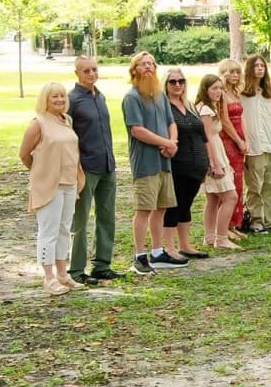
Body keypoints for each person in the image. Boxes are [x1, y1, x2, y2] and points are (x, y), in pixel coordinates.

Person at [121, 51, 184, 275]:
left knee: (161, 207)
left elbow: (171, 122)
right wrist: (165, 142)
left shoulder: (159, 95)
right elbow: (137, 130)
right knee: (144, 209)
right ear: (134, 70)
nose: (148, 67)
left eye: (151, 64)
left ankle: (157, 252)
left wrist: (172, 143)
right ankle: (139, 256)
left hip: (164, 162)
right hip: (145, 163)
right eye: (143, 64)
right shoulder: (132, 97)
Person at [19, 82, 84, 295]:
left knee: (64, 228)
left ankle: (62, 273)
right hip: (49, 185)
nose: (59, 100)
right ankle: (48, 277)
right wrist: (41, 171)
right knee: (49, 231)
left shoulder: (67, 120)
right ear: (45, 99)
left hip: (69, 182)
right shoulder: (38, 123)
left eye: (62, 96)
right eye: (54, 96)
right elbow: (24, 154)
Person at [65, 55, 122, 286]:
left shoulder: (100, 96)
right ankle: (76, 268)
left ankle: (102, 264)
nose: (91, 74)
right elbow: (67, 136)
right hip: (86, 167)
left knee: (106, 216)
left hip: (107, 164)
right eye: (86, 70)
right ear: (77, 73)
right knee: (80, 220)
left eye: (94, 69)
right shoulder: (71, 100)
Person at [162, 68, 212, 261]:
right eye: (173, 81)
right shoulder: (164, 107)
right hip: (177, 165)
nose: (178, 85)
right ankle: (169, 247)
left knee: (186, 205)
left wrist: (209, 161)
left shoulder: (189, 105)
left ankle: (185, 245)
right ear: (165, 84)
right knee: (174, 205)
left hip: (197, 165)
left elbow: (204, 136)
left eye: (181, 81)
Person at [239, 53, 271, 233]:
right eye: (256, 66)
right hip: (253, 147)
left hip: (269, 144)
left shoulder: (268, 93)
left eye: (262, 66)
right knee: (255, 187)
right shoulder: (242, 93)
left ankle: (269, 220)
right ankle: (256, 220)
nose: (259, 69)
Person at [196, 72, 242, 250]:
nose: (218, 92)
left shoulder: (211, 107)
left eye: (221, 88)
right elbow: (206, 138)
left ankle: (209, 236)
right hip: (213, 155)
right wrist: (214, 164)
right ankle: (221, 237)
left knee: (213, 199)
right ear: (205, 89)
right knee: (231, 197)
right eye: (214, 88)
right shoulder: (205, 110)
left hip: (218, 152)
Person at [218, 58, 250, 231]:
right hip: (227, 140)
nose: (235, 75)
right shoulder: (221, 93)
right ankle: (225, 227)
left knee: (238, 182)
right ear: (224, 73)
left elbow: (242, 118)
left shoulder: (236, 93)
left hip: (240, 140)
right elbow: (224, 121)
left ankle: (234, 225)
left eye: (237, 72)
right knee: (229, 183)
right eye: (231, 72)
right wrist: (238, 140)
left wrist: (246, 140)